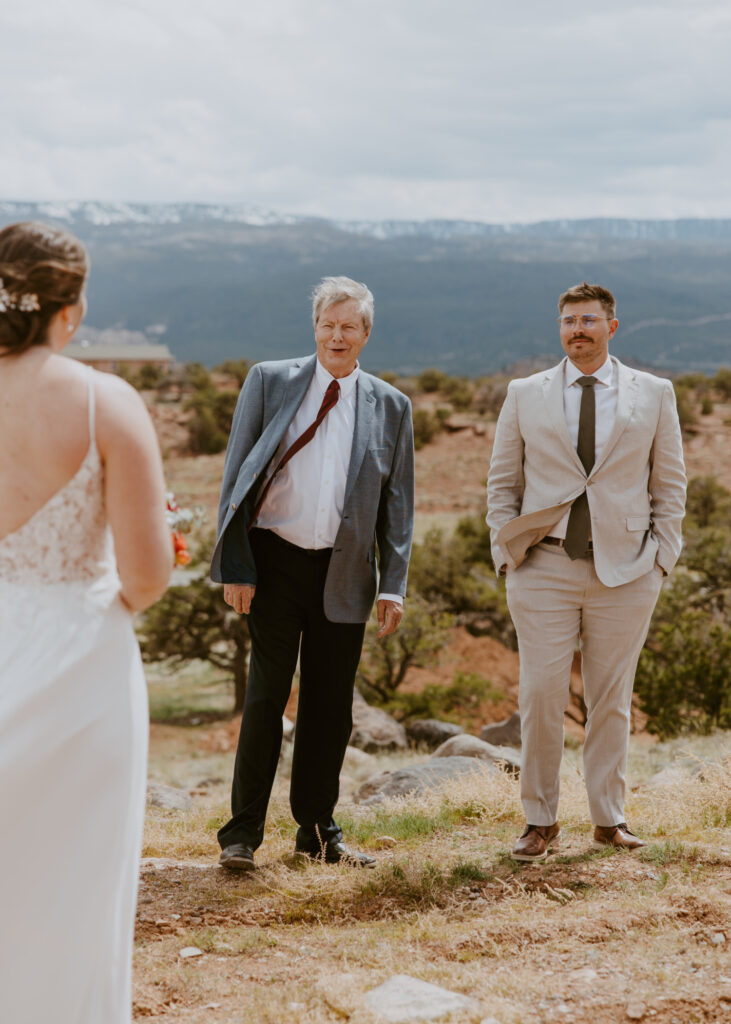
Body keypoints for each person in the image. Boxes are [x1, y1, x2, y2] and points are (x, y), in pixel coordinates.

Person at [0, 222, 172, 1022]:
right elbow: (145, 575)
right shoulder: (106, 402)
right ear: (69, 308)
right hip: (80, 667)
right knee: (71, 886)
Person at [211, 275, 414, 870]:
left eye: (349, 325)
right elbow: (235, 478)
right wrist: (236, 566)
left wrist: (393, 583)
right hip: (272, 565)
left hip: (345, 573)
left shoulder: (392, 406)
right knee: (266, 699)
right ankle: (241, 835)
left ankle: (318, 831)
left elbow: (398, 504)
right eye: (328, 324)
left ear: (366, 334)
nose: (337, 335)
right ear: (315, 329)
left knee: (330, 708)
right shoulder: (270, 382)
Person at [486, 281, 686, 862]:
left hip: (626, 570)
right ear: (560, 328)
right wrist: (507, 551)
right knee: (542, 693)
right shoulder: (526, 393)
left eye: (590, 320)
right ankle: (539, 821)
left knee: (611, 697)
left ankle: (608, 818)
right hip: (542, 564)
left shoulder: (654, 393)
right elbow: (502, 482)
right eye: (570, 320)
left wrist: (662, 560)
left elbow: (669, 484)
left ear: (612, 327)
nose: (579, 329)